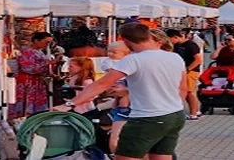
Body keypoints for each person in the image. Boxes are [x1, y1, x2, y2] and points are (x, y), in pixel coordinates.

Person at [55, 23, 189, 160]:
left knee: (125, 156)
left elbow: (101, 84)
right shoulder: (174, 57)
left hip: (147, 117)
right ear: (148, 36)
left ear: (125, 40)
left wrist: (69, 104)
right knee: (161, 157)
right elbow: (183, 88)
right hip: (175, 115)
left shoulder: (133, 59)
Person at [11, 31, 55, 119]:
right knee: (25, 104)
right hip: (27, 82)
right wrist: (48, 63)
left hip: (36, 82)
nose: (47, 44)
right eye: (46, 42)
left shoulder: (40, 52)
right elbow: (27, 68)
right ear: (36, 40)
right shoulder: (26, 51)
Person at [168, 29, 204, 121]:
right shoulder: (176, 45)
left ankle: (193, 114)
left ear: (175, 37)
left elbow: (198, 59)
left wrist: (188, 69)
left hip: (190, 71)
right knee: (187, 91)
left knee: (189, 91)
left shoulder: (190, 45)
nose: (170, 42)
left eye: (170, 39)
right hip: (182, 70)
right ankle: (195, 111)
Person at [104, 41, 131, 155]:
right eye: (109, 51)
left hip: (127, 107)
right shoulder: (109, 62)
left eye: (114, 52)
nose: (110, 54)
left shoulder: (128, 63)